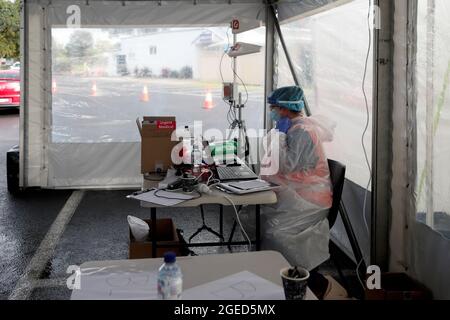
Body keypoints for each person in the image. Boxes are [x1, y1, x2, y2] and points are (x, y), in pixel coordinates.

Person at [257, 85, 335, 271]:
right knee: (260, 217)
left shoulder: (301, 131)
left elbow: (287, 165)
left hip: (309, 200)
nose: (271, 112)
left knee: (276, 232)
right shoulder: (295, 127)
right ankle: (273, 268)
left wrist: (280, 137)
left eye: (273, 108)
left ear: (283, 108)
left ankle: (291, 272)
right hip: (300, 193)